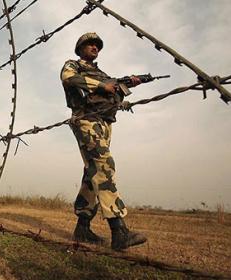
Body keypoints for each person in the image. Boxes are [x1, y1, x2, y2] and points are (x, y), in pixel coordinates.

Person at [60, 32, 147, 251]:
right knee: (104, 166)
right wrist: (102, 86)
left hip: (105, 123)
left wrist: (126, 88)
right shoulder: (74, 65)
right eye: (89, 44)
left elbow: (111, 96)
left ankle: (82, 228)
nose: (94, 47)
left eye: (97, 45)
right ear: (80, 48)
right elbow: (68, 78)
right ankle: (119, 231)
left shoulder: (103, 74)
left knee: (93, 173)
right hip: (85, 119)